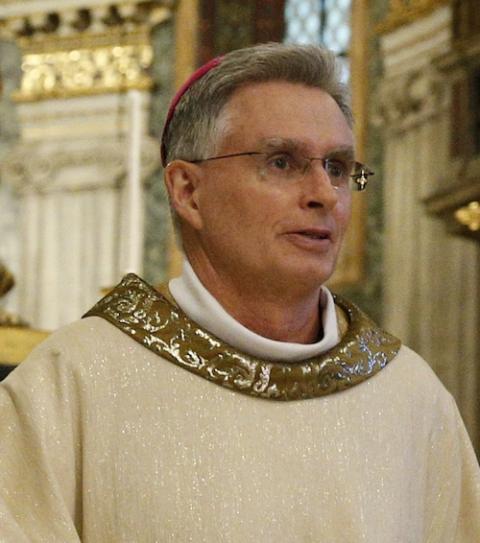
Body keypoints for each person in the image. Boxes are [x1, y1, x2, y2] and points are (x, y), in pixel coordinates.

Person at [1, 43, 479, 542]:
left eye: (337, 167)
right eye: (282, 162)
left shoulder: (408, 396)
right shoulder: (74, 381)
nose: (323, 194)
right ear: (188, 191)